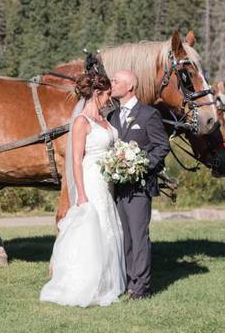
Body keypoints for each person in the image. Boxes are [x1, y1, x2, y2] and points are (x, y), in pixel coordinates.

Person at [40, 72, 126, 307]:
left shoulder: (104, 119)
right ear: (97, 94)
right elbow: (76, 160)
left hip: (107, 181)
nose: (110, 99)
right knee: (93, 229)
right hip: (91, 181)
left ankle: (107, 282)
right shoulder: (81, 122)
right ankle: (89, 283)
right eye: (107, 94)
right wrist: (81, 193)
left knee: (108, 227)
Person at [108, 69, 171, 300]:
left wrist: (142, 165)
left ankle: (141, 287)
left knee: (138, 235)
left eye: (116, 81)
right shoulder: (113, 117)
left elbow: (162, 146)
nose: (111, 84)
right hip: (118, 187)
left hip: (140, 187)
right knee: (124, 236)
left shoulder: (148, 114)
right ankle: (128, 280)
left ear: (130, 86)